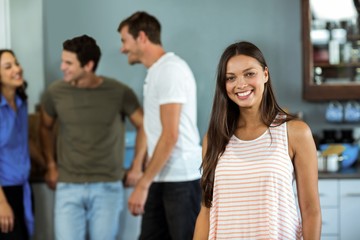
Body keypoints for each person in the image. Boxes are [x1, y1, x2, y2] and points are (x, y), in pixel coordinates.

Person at [193, 41, 322, 239]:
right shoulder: (214, 139)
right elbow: (206, 212)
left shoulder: (295, 133)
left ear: (265, 75)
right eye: (231, 78)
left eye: (249, 73)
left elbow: (311, 210)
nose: (241, 84)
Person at [40, 34, 146, 240]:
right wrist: (51, 165)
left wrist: (136, 166)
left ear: (88, 65)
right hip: (68, 186)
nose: (62, 67)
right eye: (63, 61)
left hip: (107, 187)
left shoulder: (119, 92)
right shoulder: (55, 93)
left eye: (68, 63)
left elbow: (144, 125)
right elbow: (44, 128)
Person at [117, 11, 202, 240]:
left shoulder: (170, 70)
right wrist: (139, 168)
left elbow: (170, 135)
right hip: (161, 177)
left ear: (141, 37)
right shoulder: (156, 72)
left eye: (124, 40)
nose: (122, 48)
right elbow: (150, 126)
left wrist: (142, 184)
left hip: (181, 180)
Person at [0, 49, 34, 239]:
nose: (17, 69)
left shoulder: (21, 102)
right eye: (8, 66)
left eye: (16, 63)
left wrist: (50, 164)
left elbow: (22, 142)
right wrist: (2, 203)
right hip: (3, 193)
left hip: (23, 190)